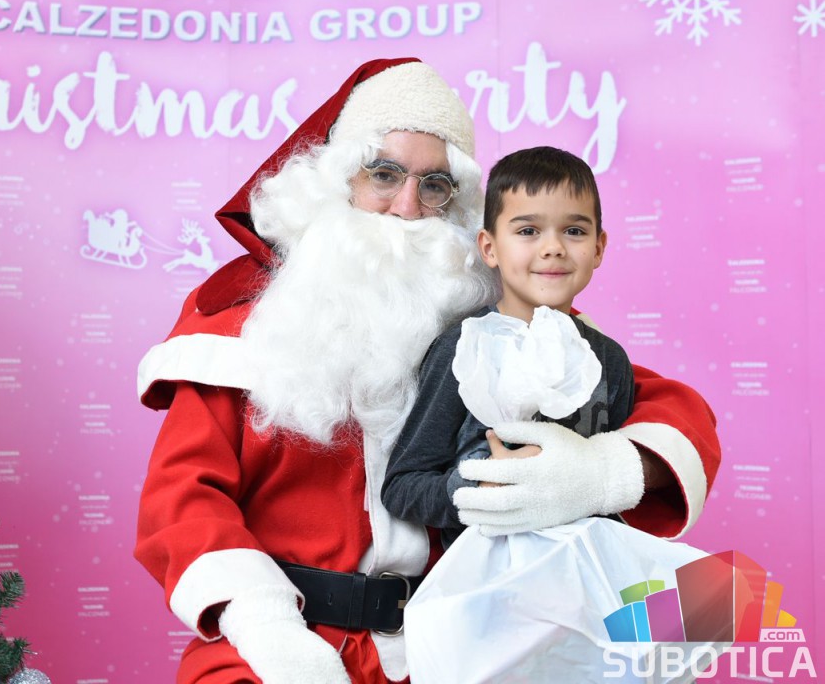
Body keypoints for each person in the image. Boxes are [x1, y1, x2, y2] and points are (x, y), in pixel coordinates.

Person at [134, 59, 720, 684]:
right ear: (335, 183)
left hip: (456, 644)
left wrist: (600, 474)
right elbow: (182, 501)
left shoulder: (484, 317)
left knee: (701, 620)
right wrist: (265, 627)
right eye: (383, 175)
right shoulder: (248, 324)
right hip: (276, 646)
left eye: (435, 185)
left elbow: (666, 405)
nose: (408, 207)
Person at [382, 146, 635, 549]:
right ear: (489, 248)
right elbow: (402, 487)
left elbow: (615, 488)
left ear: (599, 247)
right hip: (480, 578)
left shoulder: (610, 360)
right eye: (528, 231)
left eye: (574, 231)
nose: (553, 248)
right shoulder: (460, 349)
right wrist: (476, 486)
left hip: (578, 577)